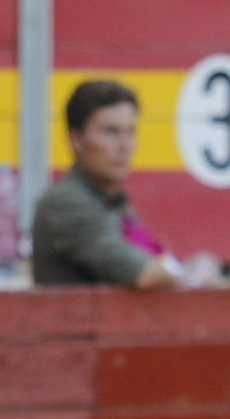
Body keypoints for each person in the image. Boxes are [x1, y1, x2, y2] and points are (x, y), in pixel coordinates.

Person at [32, 80, 189, 289]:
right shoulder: (65, 203)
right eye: (111, 132)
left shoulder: (111, 198)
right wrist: (188, 272)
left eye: (131, 132)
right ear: (76, 139)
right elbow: (144, 273)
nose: (125, 145)